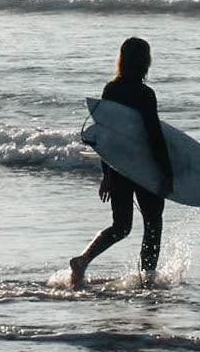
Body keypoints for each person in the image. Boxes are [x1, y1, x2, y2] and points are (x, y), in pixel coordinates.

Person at [70, 37, 173, 285]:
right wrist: (166, 172)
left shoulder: (111, 90)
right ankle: (147, 279)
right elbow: (154, 135)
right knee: (152, 223)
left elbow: (104, 134)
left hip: (118, 166)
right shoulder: (146, 94)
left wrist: (106, 173)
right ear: (144, 62)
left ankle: (82, 260)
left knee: (121, 226)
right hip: (143, 166)